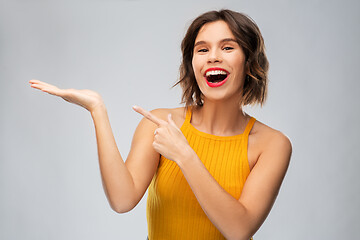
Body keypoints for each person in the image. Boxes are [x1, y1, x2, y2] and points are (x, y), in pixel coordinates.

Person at [29, 9, 291, 240]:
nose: (213, 57)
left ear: (249, 64)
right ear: (192, 64)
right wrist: (97, 110)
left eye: (227, 47)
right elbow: (122, 200)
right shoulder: (161, 123)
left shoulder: (272, 144)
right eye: (202, 49)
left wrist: (184, 155)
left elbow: (239, 230)